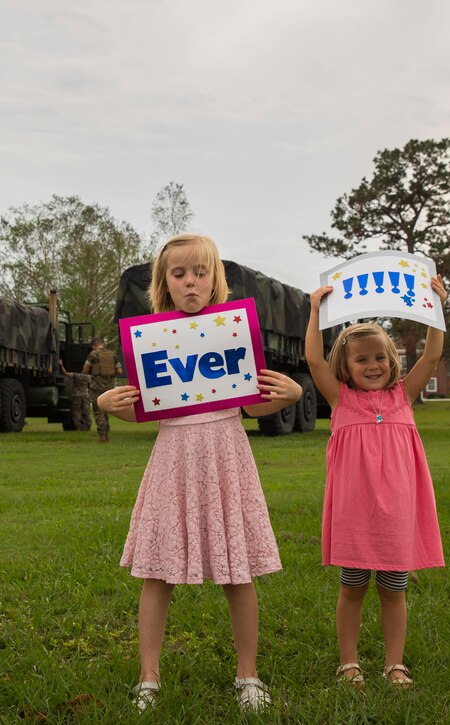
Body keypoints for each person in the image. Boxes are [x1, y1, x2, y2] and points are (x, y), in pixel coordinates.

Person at [96, 234, 302, 713]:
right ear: (164, 283)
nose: (191, 282)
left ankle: (247, 674)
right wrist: (107, 404)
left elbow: (252, 403)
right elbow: (141, 408)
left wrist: (289, 394)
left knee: (238, 570)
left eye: (200, 272)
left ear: (216, 279)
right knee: (156, 570)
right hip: (173, 457)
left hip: (227, 453)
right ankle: (149, 677)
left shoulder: (232, 331)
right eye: (179, 273)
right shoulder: (151, 337)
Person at [305, 277, 447, 689]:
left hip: (397, 516)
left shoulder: (404, 397)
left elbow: (433, 355)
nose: (372, 365)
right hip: (355, 515)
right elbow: (314, 361)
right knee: (352, 588)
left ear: (392, 359)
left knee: (393, 591)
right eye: (361, 359)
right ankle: (348, 663)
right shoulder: (341, 400)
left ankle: (394, 664)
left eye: (380, 357)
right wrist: (315, 310)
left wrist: (435, 306)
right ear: (345, 368)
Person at [83, 336, 122, 442]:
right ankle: (106, 433)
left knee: (98, 411)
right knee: (105, 410)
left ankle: (102, 435)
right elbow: (119, 371)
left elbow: (85, 370)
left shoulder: (93, 355)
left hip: (96, 386)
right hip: (109, 387)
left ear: (94, 346)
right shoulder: (113, 355)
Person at [61, 360, 91, 431]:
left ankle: (77, 426)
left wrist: (61, 365)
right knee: (86, 411)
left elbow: (65, 373)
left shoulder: (76, 375)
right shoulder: (88, 377)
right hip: (85, 395)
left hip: (76, 395)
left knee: (76, 411)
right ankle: (88, 426)